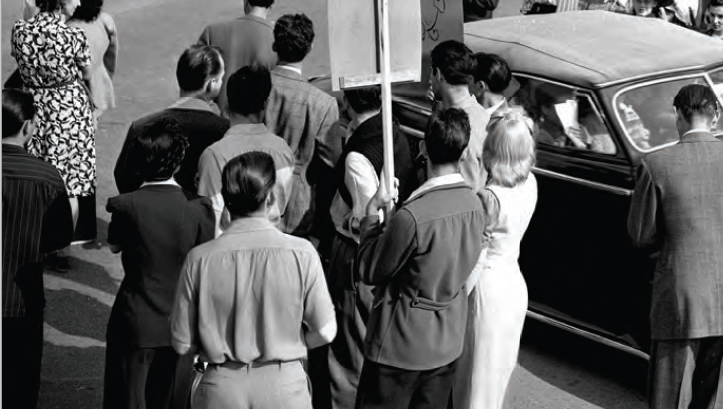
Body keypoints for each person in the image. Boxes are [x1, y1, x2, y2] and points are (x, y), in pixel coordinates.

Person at [627, 84, 723, 409]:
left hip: (680, 296)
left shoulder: (655, 164)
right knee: (718, 402)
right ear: (714, 118)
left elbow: (641, 235)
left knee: (670, 399)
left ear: (678, 116)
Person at [170, 151, 336, 409]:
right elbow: (325, 331)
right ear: (270, 197)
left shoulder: (199, 259)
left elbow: (182, 344)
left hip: (220, 388)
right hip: (285, 389)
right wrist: (292, 342)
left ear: (226, 200)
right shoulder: (302, 253)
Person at [353, 107, 486, 409]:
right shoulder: (476, 206)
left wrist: (371, 214)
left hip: (400, 347)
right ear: (464, 153)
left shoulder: (413, 216)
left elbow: (369, 269)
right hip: (447, 343)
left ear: (423, 147)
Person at [103, 119, 215, 409]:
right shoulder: (199, 208)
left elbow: (115, 245)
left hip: (135, 320)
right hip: (182, 323)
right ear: (179, 162)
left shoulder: (126, 204)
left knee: (128, 399)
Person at [323, 84, 418, 409]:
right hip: (391, 254)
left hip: (357, 261)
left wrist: (350, 222)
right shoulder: (392, 130)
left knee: (349, 355)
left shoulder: (358, 156)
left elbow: (368, 218)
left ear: (348, 103)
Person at [454, 109, 539, 409]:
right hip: (513, 285)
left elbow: (473, 255)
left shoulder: (488, 197)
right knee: (498, 375)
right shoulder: (531, 183)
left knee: (474, 379)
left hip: (486, 289)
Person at [10, 0, 97, 247]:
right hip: (67, 111)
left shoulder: (19, 30)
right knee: (68, 185)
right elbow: (86, 72)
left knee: (36, 177)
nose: (79, 4)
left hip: (33, 108)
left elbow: (21, 64)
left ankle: (32, 239)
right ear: (62, 0)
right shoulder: (73, 35)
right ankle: (61, 248)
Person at [2, 88, 73, 409]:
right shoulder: (46, 176)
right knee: (21, 384)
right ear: (29, 127)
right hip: (23, 300)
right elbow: (59, 239)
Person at [117, 45, 229, 196]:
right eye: (221, 78)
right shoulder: (226, 132)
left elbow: (124, 179)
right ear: (212, 84)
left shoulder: (141, 127)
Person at [196, 64, 294, 234]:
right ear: (265, 104)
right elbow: (281, 205)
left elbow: (212, 220)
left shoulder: (215, 154)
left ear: (227, 105)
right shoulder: (282, 150)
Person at [265, 13, 339, 235]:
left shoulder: (254, 85)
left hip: (249, 193)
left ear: (275, 44)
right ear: (310, 47)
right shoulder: (322, 103)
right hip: (296, 206)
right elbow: (332, 161)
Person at [197, 0, 277, 113]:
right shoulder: (277, 41)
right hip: (258, 126)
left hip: (217, 123)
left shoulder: (213, 32)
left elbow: (196, 81)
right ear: (271, 5)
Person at [428, 40, 490, 191]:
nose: (429, 79)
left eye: (431, 72)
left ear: (438, 74)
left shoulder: (461, 131)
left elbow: (467, 192)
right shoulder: (482, 116)